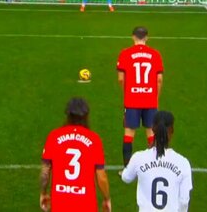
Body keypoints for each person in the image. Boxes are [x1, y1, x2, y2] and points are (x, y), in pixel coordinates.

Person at [40, 97, 111, 212]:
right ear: (86, 115)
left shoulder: (54, 136)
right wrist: (106, 198)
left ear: (68, 115)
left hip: (60, 204)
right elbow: (101, 177)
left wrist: (43, 193)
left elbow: (45, 171)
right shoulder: (94, 140)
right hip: (86, 205)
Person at [121, 111, 192, 212]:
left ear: (153, 129)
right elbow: (184, 200)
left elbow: (126, 178)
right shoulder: (183, 163)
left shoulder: (139, 158)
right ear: (172, 130)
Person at [117, 26, 164, 168]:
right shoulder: (155, 54)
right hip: (150, 99)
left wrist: (127, 92)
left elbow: (120, 78)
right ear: (147, 38)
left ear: (133, 37)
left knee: (129, 134)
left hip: (132, 99)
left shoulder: (125, 54)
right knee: (151, 133)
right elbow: (159, 79)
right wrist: (156, 97)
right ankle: (155, 167)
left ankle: (127, 170)